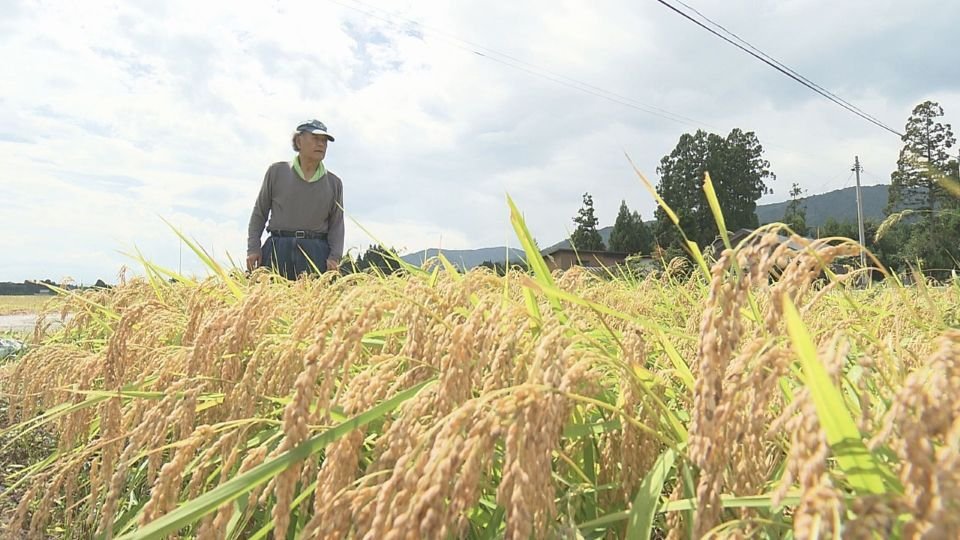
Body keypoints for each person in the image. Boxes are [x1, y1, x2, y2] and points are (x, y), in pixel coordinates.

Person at [246, 119, 344, 279]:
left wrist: (335, 257)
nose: (321, 144)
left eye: (324, 141)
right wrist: (253, 248)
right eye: (315, 138)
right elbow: (259, 213)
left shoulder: (334, 183)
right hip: (278, 248)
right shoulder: (276, 172)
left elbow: (337, 225)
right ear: (299, 141)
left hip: (315, 252)